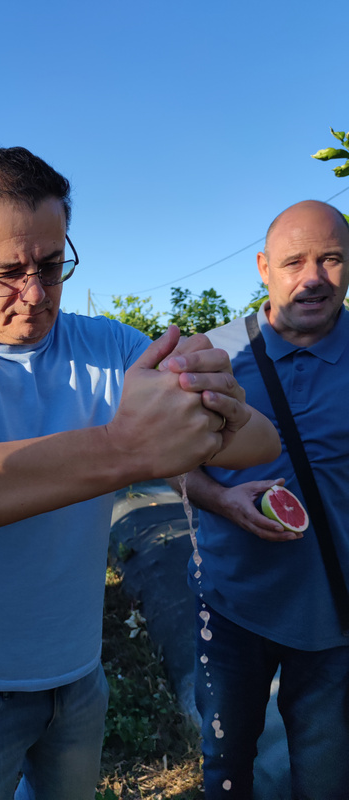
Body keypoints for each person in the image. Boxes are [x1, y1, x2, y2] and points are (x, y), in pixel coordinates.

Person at [0, 143, 280, 800]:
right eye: (7, 272)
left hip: (77, 674)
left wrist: (222, 403)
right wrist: (123, 449)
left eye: (52, 265)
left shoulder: (110, 347)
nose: (34, 293)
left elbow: (256, 443)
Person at [178, 200, 349, 799]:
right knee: (225, 772)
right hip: (230, 608)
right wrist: (221, 501)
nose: (312, 278)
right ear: (262, 267)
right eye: (293, 261)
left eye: (330, 259)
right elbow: (175, 466)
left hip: (334, 619)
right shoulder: (211, 357)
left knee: (326, 781)